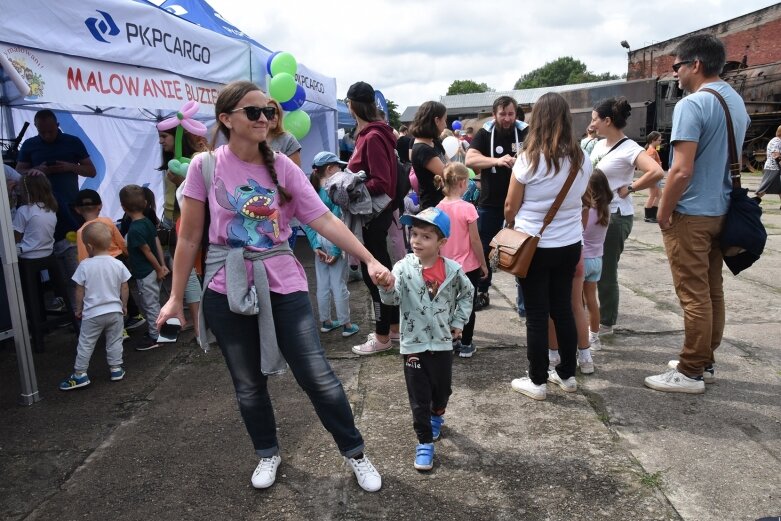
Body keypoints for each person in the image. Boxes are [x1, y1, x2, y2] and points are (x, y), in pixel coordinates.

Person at [157, 80, 386, 492]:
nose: (264, 118)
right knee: (247, 383)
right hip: (225, 284)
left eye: (268, 111)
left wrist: (368, 259)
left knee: (316, 374)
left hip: (282, 279)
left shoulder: (283, 166)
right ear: (226, 119)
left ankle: (356, 453)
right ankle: (268, 453)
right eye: (254, 112)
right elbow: (189, 237)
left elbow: (324, 219)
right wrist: (176, 297)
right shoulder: (204, 166)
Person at [645, 34, 750, 394]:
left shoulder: (692, 105)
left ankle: (690, 371)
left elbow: (681, 169)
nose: (675, 75)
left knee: (693, 294)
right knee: (711, 290)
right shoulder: (735, 101)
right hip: (722, 209)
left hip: (691, 213)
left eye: (677, 66)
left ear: (696, 65)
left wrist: (664, 209)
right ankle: (704, 360)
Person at [504, 92, 591, 401]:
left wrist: (512, 220)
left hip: (534, 246)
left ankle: (537, 380)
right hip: (569, 244)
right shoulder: (582, 158)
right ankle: (568, 375)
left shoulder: (529, 159)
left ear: (536, 120)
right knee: (564, 309)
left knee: (538, 314)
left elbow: (510, 206)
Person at [378, 207, 473, 471]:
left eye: (426, 236)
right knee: (419, 397)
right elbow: (393, 299)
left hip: (442, 343)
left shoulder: (453, 271)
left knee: (442, 391)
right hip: (413, 344)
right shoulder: (403, 267)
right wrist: (385, 286)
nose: (417, 241)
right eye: (414, 234)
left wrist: (458, 321)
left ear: (441, 243)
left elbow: (468, 294)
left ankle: (437, 415)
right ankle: (424, 441)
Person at [589, 98, 664, 336]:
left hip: (615, 216)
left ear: (607, 120)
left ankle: (606, 322)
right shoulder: (599, 145)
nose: (592, 124)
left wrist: (631, 187)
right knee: (590, 268)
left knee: (606, 270)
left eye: (594, 119)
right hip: (595, 214)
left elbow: (656, 171)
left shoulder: (630, 148)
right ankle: (592, 316)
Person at [15, 109, 97, 311]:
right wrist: (38, 170)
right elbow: (17, 172)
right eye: (43, 132)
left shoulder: (72, 141)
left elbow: (91, 170)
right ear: (36, 128)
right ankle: (65, 300)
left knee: (75, 255)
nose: (47, 136)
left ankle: (84, 300)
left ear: (57, 125)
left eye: (50, 131)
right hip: (42, 209)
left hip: (70, 207)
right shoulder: (30, 144)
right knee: (53, 256)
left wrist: (70, 167)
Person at [345, 81, 401, 356]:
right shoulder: (372, 134)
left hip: (373, 215)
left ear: (351, 105)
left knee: (376, 275)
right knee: (381, 271)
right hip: (375, 215)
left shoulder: (373, 136)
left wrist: (349, 187)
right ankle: (391, 329)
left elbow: (382, 181)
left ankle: (382, 337)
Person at [466, 96, 529, 311]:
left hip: (521, 204)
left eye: (510, 114)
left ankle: (524, 301)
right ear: (494, 114)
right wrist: (497, 161)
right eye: (502, 114)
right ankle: (482, 291)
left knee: (523, 251)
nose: (507, 119)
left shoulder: (525, 132)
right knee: (486, 250)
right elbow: (470, 160)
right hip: (490, 203)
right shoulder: (485, 133)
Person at [58, 222, 131, 391]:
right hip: (114, 311)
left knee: (86, 343)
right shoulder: (117, 264)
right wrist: (124, 305)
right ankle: (116, 369)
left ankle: (80, 374)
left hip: (93, 314)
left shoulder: (84, 265)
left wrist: (79, 308)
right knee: (115, 341)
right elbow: (125, 286)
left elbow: (79, 290)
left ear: (89, 246)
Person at [303, 151, 360, 338]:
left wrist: (315, 246)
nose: (341, 169)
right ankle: (346, 324)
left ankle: (326, 322)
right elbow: (338, 222)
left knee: (322, 284)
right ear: (329, 169)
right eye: (338, 166)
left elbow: (308, 221)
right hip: (333, 239)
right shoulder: (334, 190)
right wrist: (336, 249)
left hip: (318, 240)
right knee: (339, 284)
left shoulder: (311, 190)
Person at [435, 163, 487, 358]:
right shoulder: (468, 209)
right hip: (469, 266)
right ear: (463, 182)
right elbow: (475, 240)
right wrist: (483, 263)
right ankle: (466, 344)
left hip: (445, 266)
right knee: (468, 305)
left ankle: (450, 340)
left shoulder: (438, 208)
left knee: (448, 304)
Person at [120, 184, 169, 351]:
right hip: (156, 270)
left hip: (146, 272)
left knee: (150, 304)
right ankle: (162, 330)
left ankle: (156, 336)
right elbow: (156, 242)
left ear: (123, 207)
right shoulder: (148, 221)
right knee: (158, 301)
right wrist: (162, 265)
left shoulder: (134, 230)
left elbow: (147, 251)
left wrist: (158, 268)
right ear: (146, 202)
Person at [581, 169, 612, 352]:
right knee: (592, 300)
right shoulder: (605, 211)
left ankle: (581, 338)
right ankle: (594, 337)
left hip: (582, 260)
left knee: (577, 303)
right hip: (597, 260)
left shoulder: (587, 212)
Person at [410, 101, 448, 210]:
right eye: (445, 120)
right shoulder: (422, 149)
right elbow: (449, 174)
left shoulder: (434, 141)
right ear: (436, 120)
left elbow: (449, 163)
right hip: (432, 208)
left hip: (441, 203)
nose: (446, 124)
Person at [266, 98, 302, 167]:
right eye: (270, 112)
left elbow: (296, 174)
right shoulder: (250, 139)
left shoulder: (288, 140)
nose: (275, 117)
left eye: (277, 113)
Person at [752, 124, 781, 207]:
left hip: (775, 167)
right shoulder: (776, 141)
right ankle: (752, 202)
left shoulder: (778, 140)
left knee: (779, 187)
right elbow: (776, 155)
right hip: (773, 167)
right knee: (765, 186)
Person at [644, 131, 664, 223]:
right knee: (653, 195)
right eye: (659, 140)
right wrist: (658, 165)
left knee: (659, 195)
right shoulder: (651, 151)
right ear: (653, 140)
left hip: (655, 176)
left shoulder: (651, 149)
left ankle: (652, 215)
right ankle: (648, 216)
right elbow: (650, 164)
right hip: (654, 177)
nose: (660, 142)